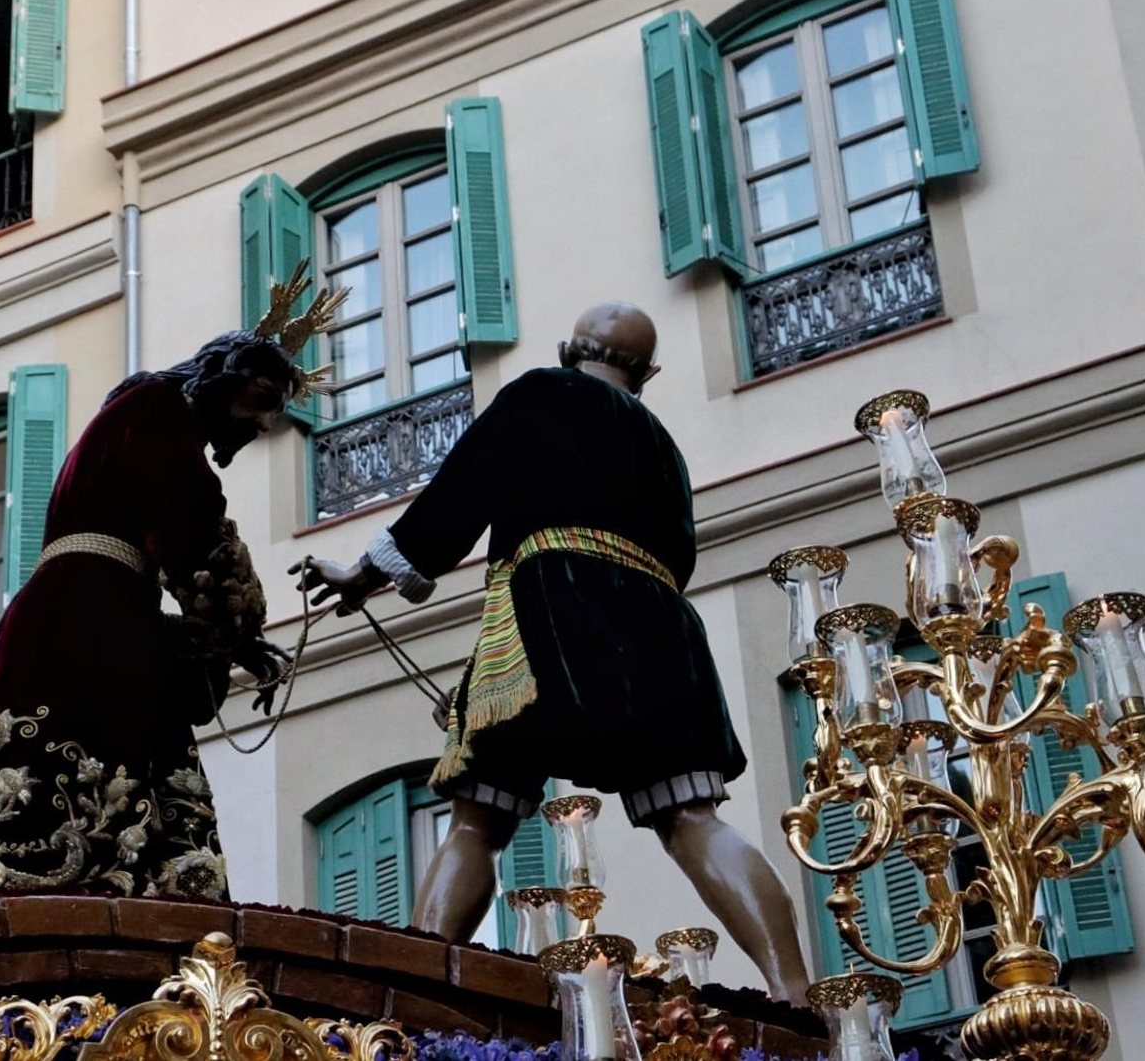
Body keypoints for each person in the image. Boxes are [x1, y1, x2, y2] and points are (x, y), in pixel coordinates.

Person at [297, 302, 812, 1005]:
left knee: (479, 816)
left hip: (546, 612)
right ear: (649, 373)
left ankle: (413, 998)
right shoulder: (662, 442)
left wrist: (364, 575)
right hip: (662, 631)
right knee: (692, 817)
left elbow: (458, 494)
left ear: (568, 348)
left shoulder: (538, 390)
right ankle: (795, 988)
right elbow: (680, 555)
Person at [0, 267, 344, 899]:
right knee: (76, 804)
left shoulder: (132, 418)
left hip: (81, 619)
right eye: (264, 399)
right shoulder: (159, 418)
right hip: (88, 626)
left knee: (113, 797)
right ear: (222, 375)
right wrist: (239, 634)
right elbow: (200, 548)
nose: (265, 423)